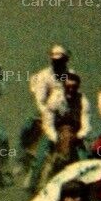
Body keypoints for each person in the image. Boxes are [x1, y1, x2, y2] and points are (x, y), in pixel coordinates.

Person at [22, 44, 70, 172]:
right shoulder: (44, 75)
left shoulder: (70, 75)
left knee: (82, 146)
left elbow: (75, 97)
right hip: (46, 113)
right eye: (55, 60)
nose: (57, 63)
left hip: (66, 117)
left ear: (65, 60)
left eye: (60, 61)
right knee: (26, 128)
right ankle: (21, 162)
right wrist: (46, 113)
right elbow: (40, 99)